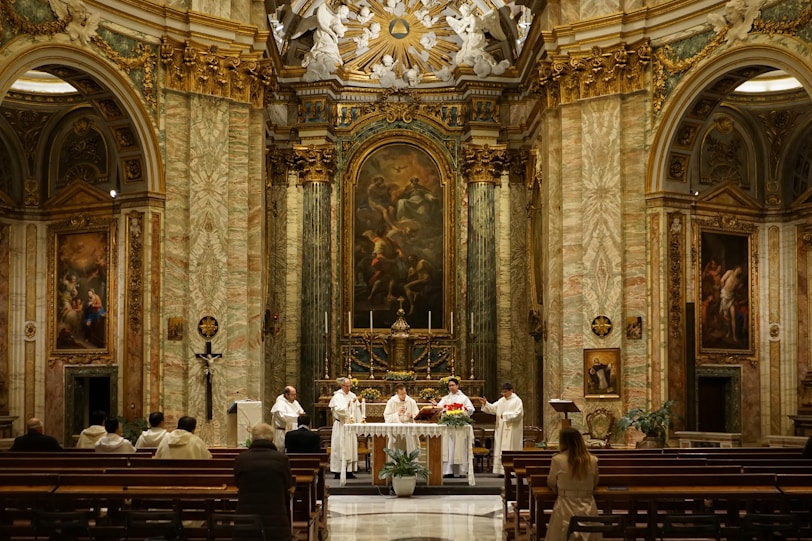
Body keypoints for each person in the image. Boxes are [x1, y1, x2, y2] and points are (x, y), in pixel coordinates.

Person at [234, 423, 295, 541]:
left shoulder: (241, 459)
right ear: (272, 439)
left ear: (252, 438)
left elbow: (237, 482)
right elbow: (288, 483)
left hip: (246, 520)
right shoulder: (281, 459)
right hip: (276, 521)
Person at [544, 427, 600, 541]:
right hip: (587, 504)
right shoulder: (592, 460)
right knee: (589, 534)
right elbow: (595, 483)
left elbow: (551, 482)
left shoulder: (557, 460)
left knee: (563, 535)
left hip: (565, 504)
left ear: (563, 442)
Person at [431, 377, 474, 478]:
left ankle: (461, 471)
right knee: (448, 449)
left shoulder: (464, 398)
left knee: (459, 449)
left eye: (452, 385)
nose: (451, 387)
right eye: (449, 386)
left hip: (460, 427)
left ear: (457, 386)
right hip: (448, 427)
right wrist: (436, 405)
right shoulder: (446, 398)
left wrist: (461, 410)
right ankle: (448, 470)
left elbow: (471, 409)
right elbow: (440, 409)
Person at [481, 382, 524, 476]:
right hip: (501, 429)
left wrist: (504, 415)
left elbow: (518, 414)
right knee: (500, 448)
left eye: (505, 392)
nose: (504, 394)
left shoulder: (517, 401)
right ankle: (501, 470)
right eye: (502, 392)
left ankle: (511, 470)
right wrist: (486, 404)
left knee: (510, 447)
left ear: (511, 391)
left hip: (512, 429)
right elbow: (493, 409)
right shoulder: (501, 400)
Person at [328, 377, 361, 479]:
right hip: (341, 426)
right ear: (342, 386)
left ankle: (349, 471)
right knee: (340, 448)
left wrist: (359, 422)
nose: (348, 388)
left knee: (350, 448)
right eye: (346, 386)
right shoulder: (337, 396)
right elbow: (339, 411)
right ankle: (338, 471)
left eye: (349, 386)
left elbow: (357, 410)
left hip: (350, 426)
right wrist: (348, 404)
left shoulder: (352, 395)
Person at [383, 384, 420, 453]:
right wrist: (397, 414)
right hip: (396, 430)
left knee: (409, 441)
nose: (404, 396)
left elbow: (418, 416)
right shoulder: (391, 402)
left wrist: (412, 416)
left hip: (409, 430)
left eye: (405, 393)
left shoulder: (411, 401)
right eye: (401, 394)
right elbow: (387, 417)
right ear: (397, 394)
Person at [271, 386, 306, 450]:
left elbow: (302, 413)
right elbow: (283, 416)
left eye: (295, 394)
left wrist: (301, 415)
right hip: (282, 433)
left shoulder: (295, 402)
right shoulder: (280, 403)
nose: (295, 396)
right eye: (293, 395)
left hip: (294, 433)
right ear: (287, 395)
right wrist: (298, 416)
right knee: (281, 449)